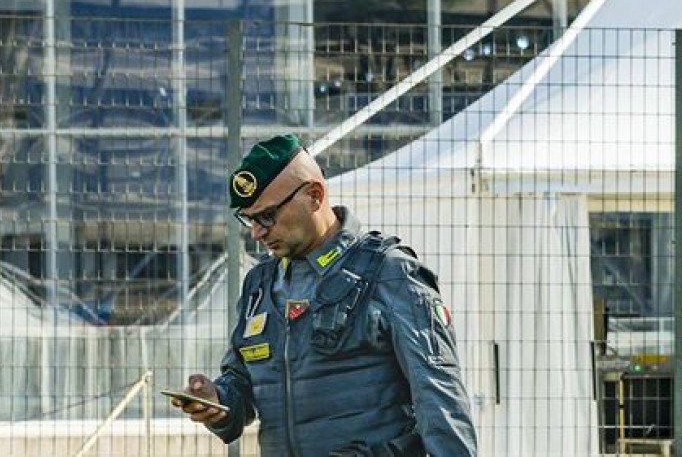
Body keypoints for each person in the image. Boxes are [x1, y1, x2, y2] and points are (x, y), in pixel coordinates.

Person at [171, 133, 478, 457]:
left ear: (314, 196)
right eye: (248, 218)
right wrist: (218, 402)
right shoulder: (259, 285)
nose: (256, 232)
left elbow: (440, 400)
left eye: (266, 216)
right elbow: (243, 387)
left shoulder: (389, 272)